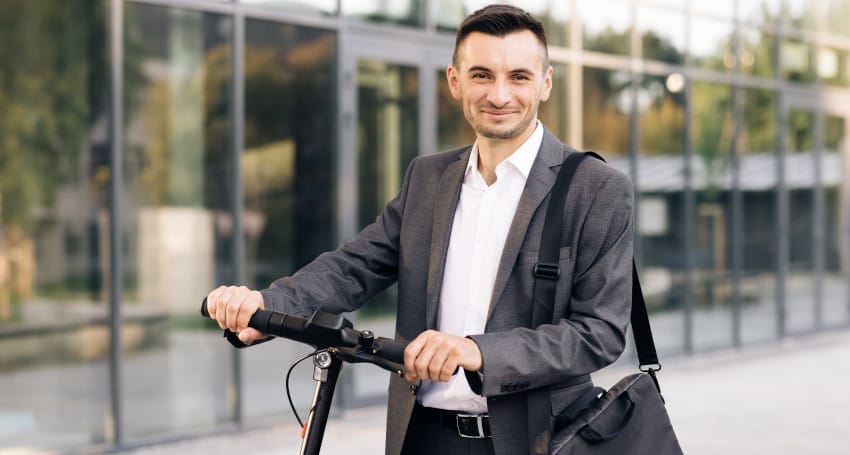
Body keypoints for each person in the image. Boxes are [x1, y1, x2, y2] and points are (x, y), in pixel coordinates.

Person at [205, 4, 634, 455]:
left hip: (536, 442)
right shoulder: (428, 178)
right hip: (422, 437)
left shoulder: (596, 189)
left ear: (546, 83)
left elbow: (599, 332)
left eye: (520, 77)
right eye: (482, 75)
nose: (500, 95)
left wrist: (477, 351)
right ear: (455, 81)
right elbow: (355, 267)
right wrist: (266, 306)